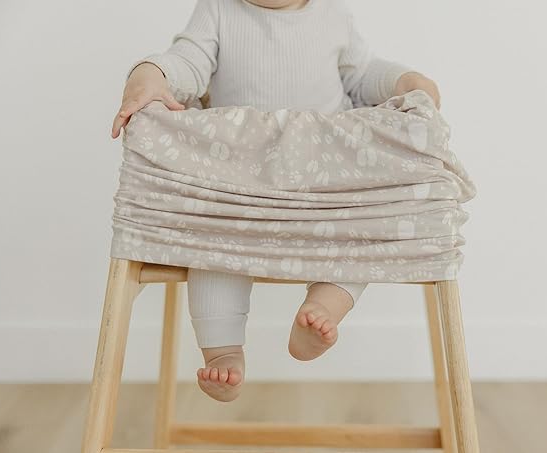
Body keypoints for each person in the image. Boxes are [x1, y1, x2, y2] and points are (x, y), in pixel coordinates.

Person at [111, 0, 440, 402]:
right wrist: (152, 73)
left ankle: (325, 305)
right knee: (212, 241)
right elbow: (188, 61)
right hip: (241, 182)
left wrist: (403, 81)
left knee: (364, 229)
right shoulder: (219, 9)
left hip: (324, 181)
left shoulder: (332, 14)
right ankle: (223, 351)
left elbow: (363, 73)